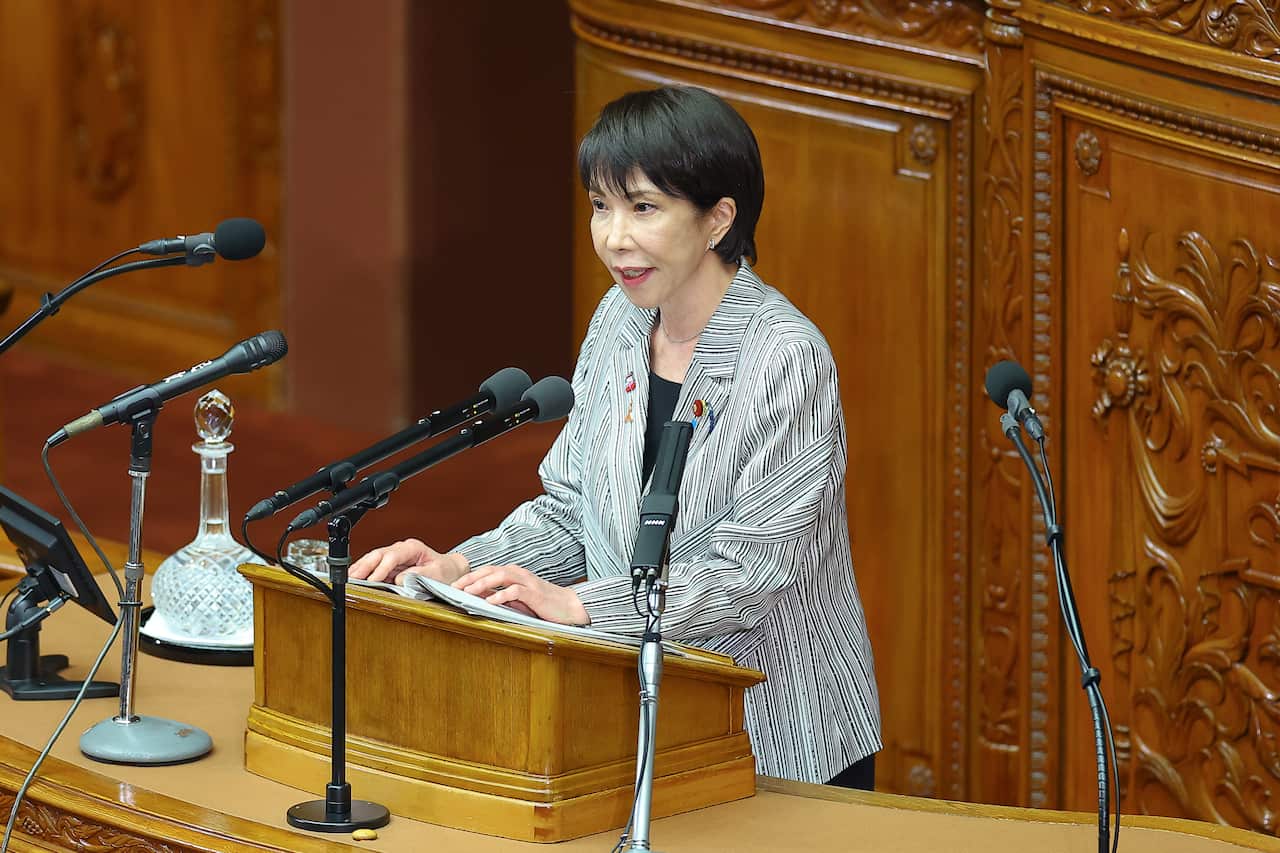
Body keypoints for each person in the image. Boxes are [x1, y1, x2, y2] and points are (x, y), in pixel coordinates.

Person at [350, 85, 881, 788]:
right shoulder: (620, 321)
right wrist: (462, 572)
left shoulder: (785, 357)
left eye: (644, 207)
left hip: (778, 730)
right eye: (602, 206)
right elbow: (572, 512)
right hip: (636, 720)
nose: (613, 237)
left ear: (719, 218)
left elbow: (746, 579)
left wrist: (578, 605)